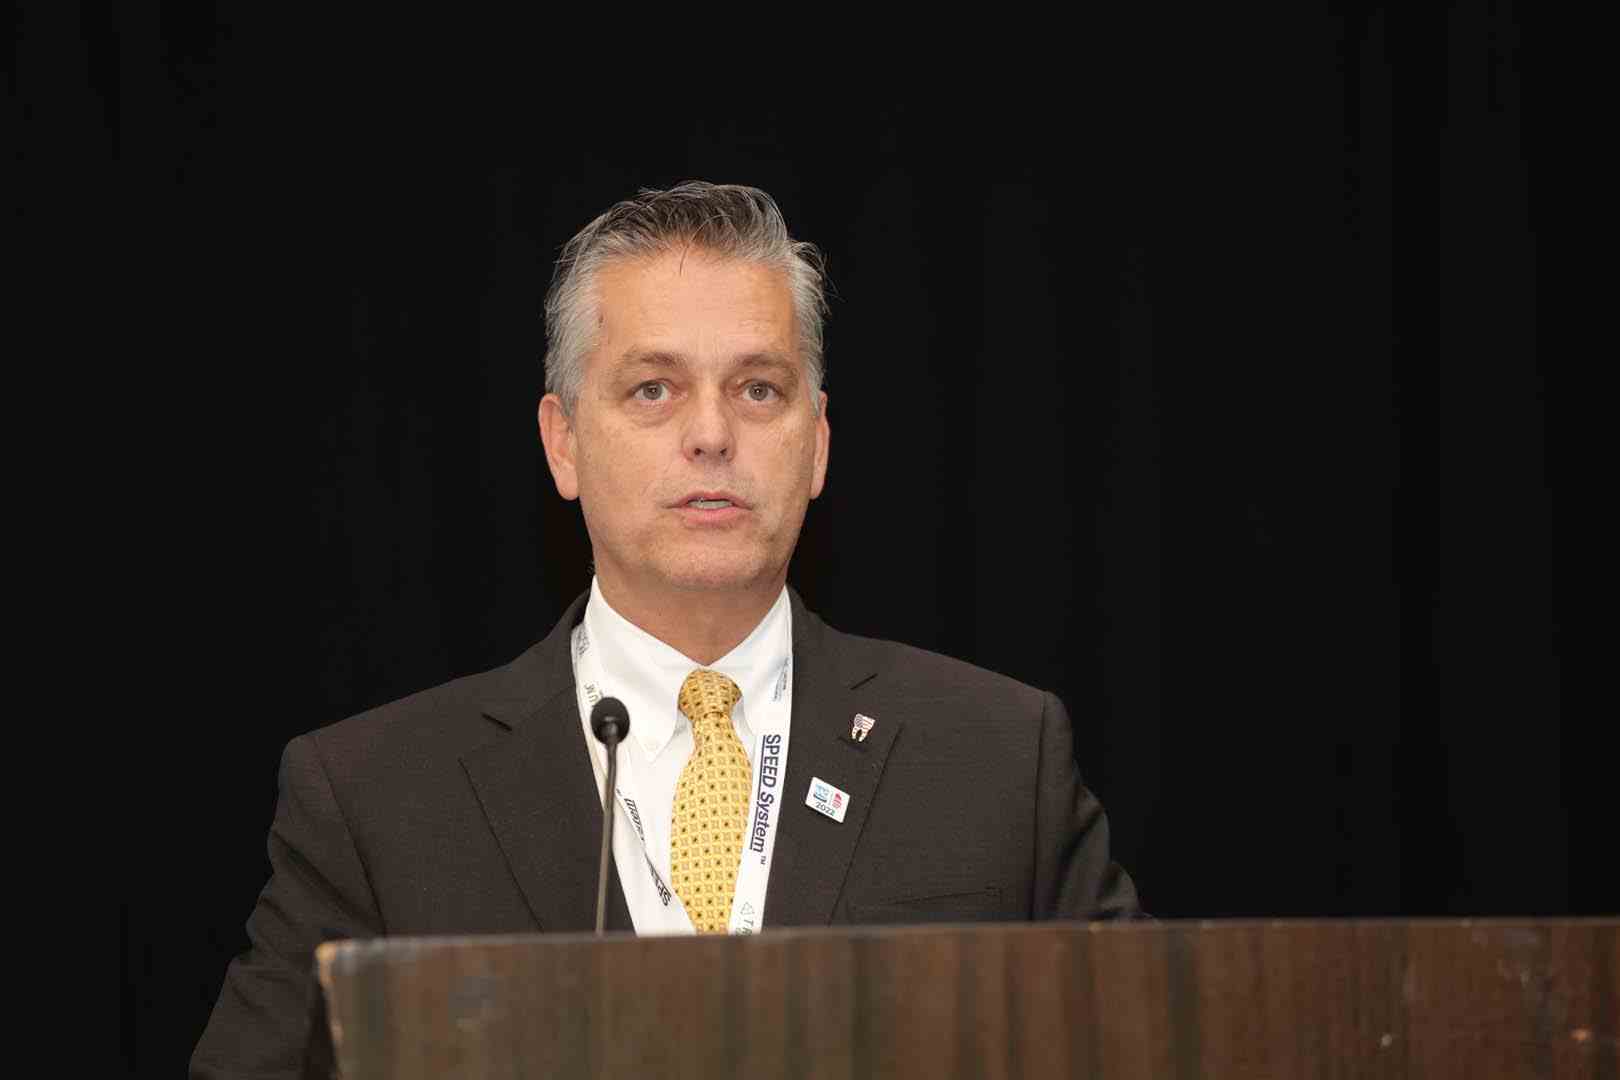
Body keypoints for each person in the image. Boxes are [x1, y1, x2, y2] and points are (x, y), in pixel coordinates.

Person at [191, 181, 1141, 1077]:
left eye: (758, 389)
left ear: (817, 444)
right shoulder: (373, 799)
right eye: (654, 388)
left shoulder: (997, 759)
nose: (712, 434)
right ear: (563, 442)